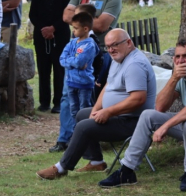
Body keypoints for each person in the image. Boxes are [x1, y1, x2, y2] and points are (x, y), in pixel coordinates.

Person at [36, 29, 156, 180]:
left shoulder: (134, 64)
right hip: (121, 116)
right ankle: (96, 161)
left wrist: (108, 112)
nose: (111, 49)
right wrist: (96, 109)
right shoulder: (119, 59)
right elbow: (109, 86)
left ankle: (61, 168)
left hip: (134, 121)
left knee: (84, 127)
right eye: (108, 46)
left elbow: (138, 99)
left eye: (115, 45)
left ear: (129, 43)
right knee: (83, 114)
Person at [50, 0, 122, 152]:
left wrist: (79, 14)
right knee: (67, 95)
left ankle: (88, 137)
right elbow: (66, 16)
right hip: (75, 50)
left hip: (100, 52)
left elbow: (101, 26)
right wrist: (88, 16)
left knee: (88, 96)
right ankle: (65, 138)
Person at [99, 40, 186, 190]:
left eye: (185, 56)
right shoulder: (180, 78)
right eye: (177, 56)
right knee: (148, 115)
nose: (180, 60)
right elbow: (159, 107)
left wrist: (165, 126)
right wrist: (174, 79)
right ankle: (126, 172)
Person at [29, 0, 71, 113]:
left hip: (60, 36)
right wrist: (44, 29)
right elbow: (32, 14)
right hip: (41, 36)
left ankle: (59, 102)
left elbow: (68, 15)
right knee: (43, 69)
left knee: (59, 70)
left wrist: (53, 28)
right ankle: (44, 102)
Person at [60, 12, 99, 121]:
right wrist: (73, 61)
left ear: (85, 29)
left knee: (84, 109)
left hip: (84, 84)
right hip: (71, 82)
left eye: (76, 28)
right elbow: (62, 59)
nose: (73, 30)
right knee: (73, 109)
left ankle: (86, 130)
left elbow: (79, 63)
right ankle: (76, 130)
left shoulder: (90, 45)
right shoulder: (71, 43)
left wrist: (70, 61)